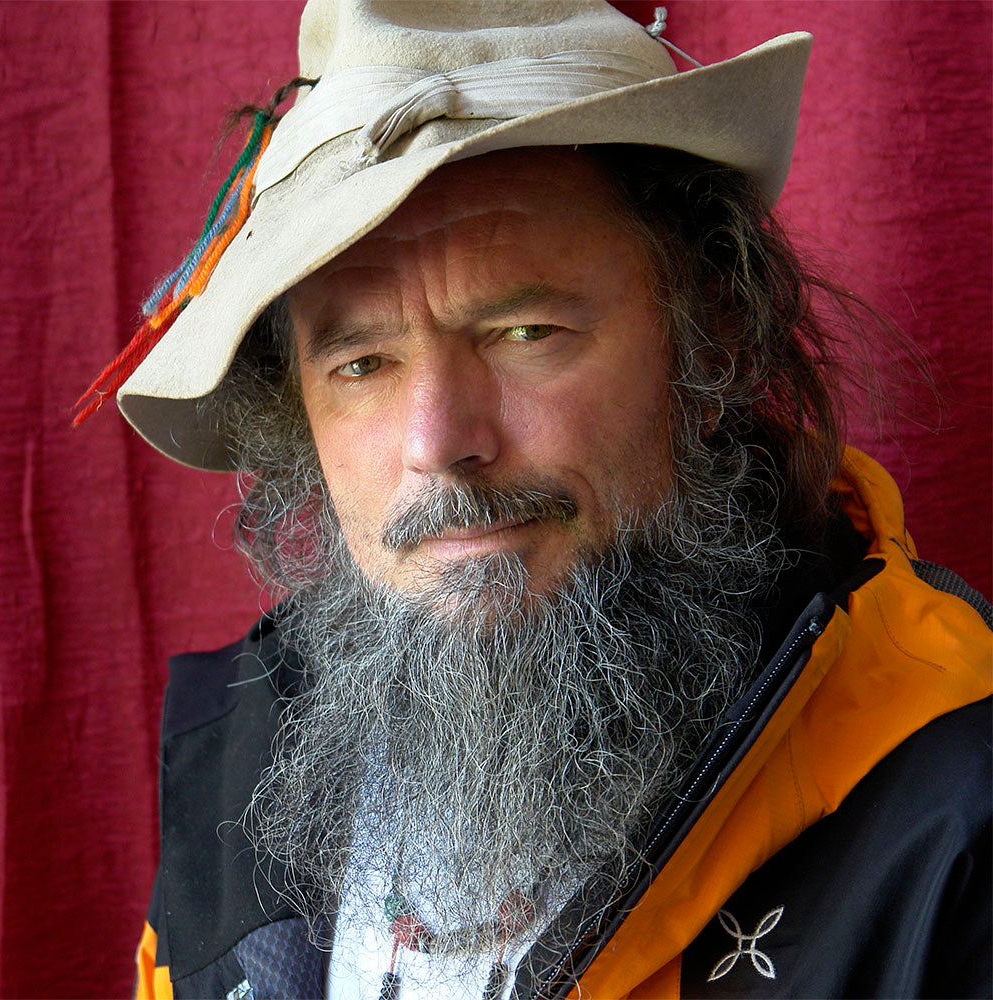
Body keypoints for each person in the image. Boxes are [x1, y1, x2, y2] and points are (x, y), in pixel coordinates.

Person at [74, 1, 990, 997]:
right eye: (363, 362)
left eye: (526, 333)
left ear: (712, 333)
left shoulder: (948, 805)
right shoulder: (241, 762)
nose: (438, 442)